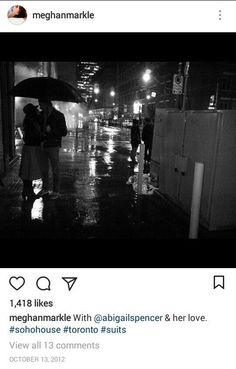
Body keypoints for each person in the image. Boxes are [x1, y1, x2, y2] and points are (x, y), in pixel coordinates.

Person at [37, 99, 67, 200]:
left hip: (53, 145)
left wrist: (51, 130)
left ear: (46, 104)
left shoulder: (58, 115)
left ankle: (56, 191)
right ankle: (45, 188)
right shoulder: (41, 115)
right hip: (43, 144)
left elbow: (64, 132)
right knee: (44, 168)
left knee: (55, 169)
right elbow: (39, 128)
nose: (40, 106)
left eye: (41, 104)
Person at [19, 103, 42, 200]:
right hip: (32, 147)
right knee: (30, 170)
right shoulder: (32, 121)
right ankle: (28, 191)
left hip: (28, 147)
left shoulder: (28, 120)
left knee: (27, 170)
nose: (37, 111)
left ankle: (27, 190)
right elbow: (37, 134)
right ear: (32, 112)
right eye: (35, 110)